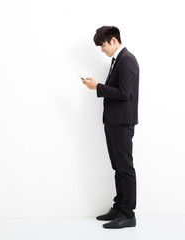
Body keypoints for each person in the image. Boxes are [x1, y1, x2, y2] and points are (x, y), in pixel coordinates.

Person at [81, 26, 139, 229]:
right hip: (114, 123)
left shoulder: (127, 60)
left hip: (123, 123)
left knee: (125, 168)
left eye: (103, 45)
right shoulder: (117, 61)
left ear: (113, 40)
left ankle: (128, 214)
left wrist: (97, 87)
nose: (102, 50)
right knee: (118, 167)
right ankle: (119, 207)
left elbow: (124, 93)